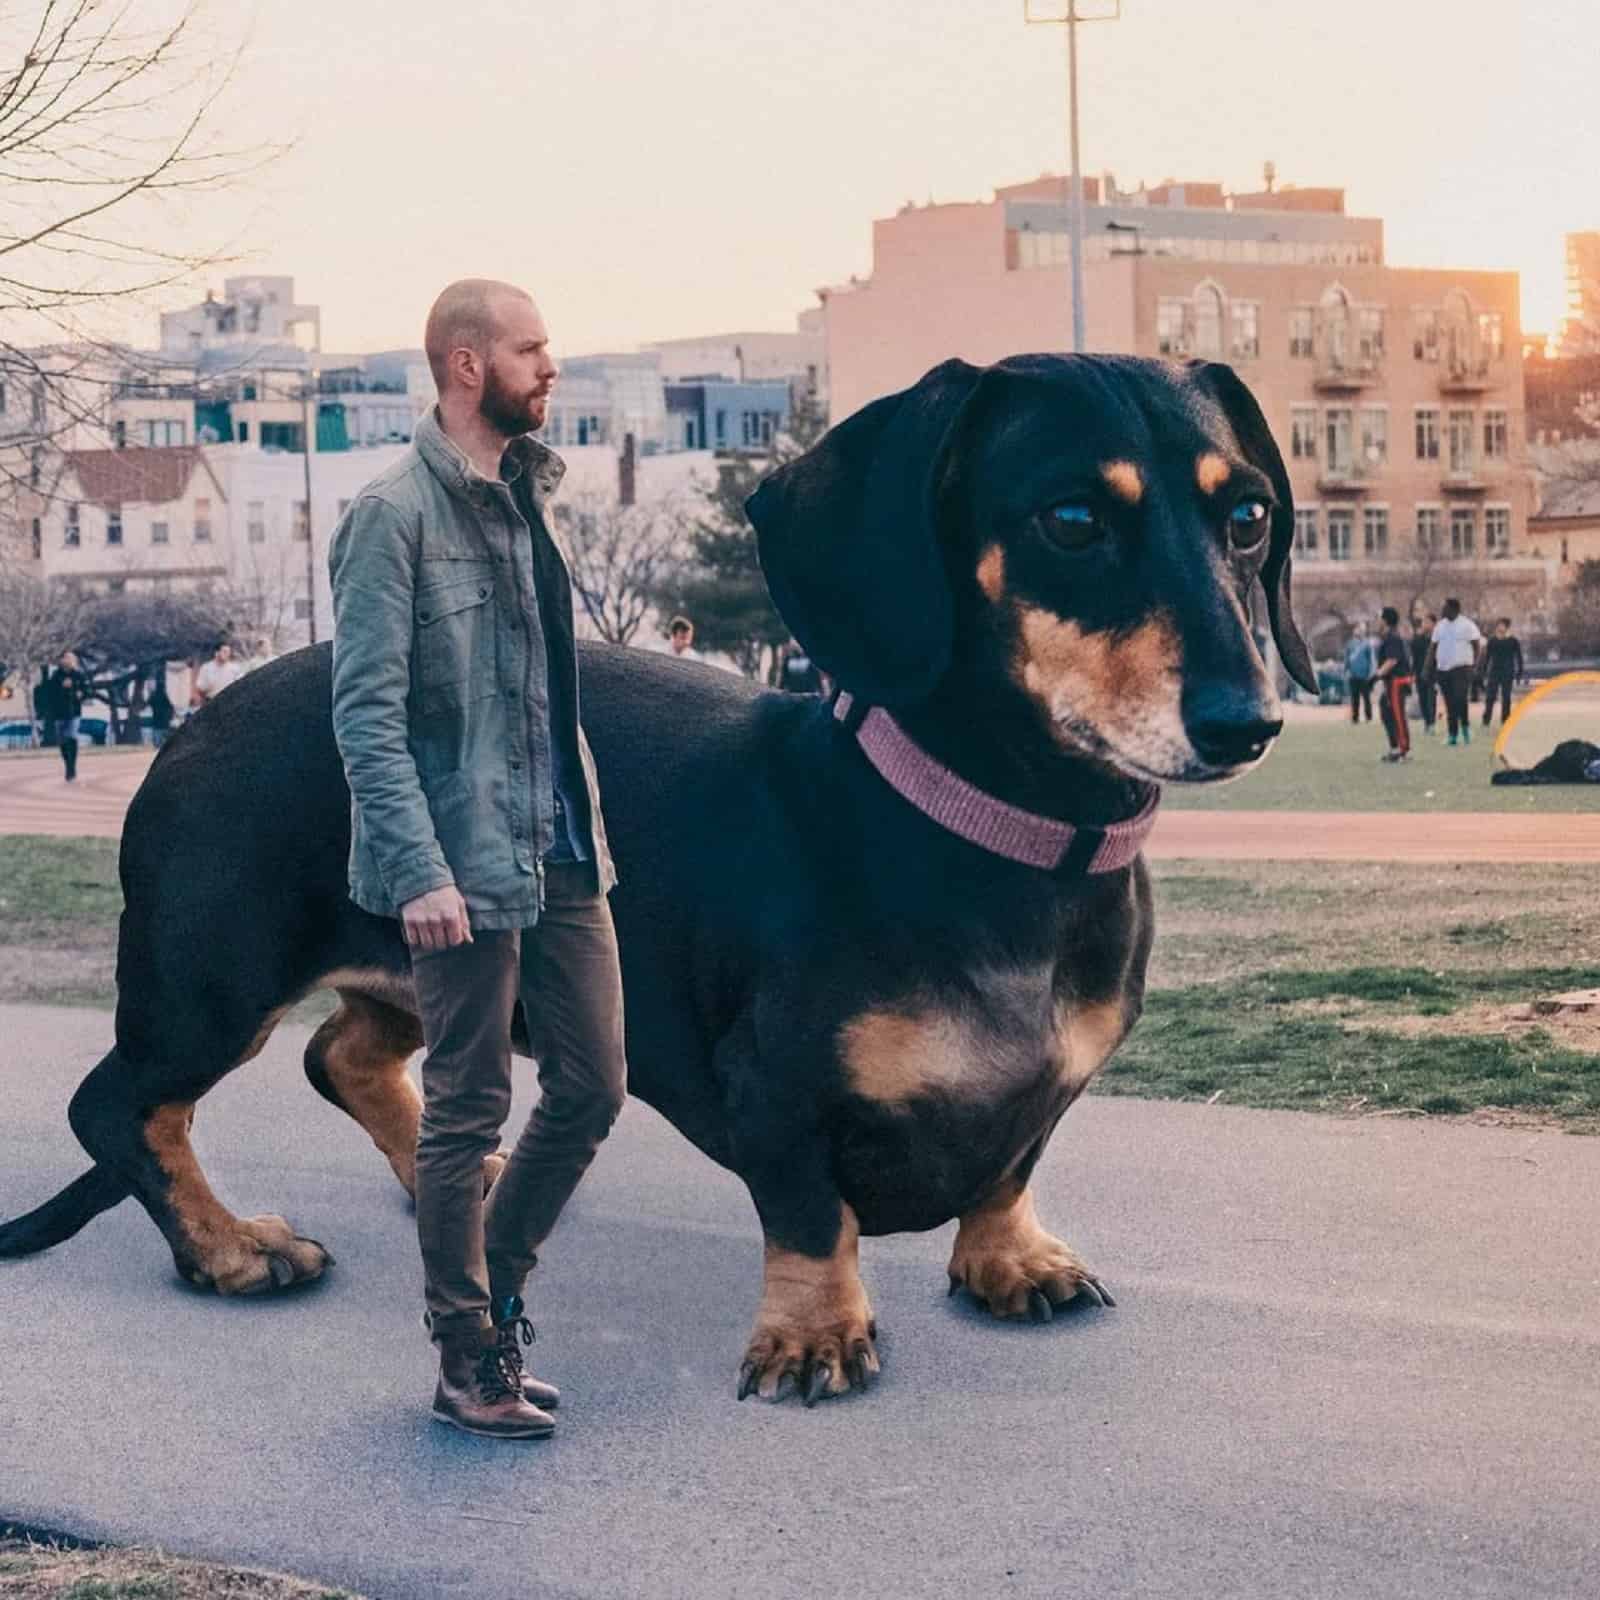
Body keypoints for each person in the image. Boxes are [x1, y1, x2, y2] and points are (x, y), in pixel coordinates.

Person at [329, 278, 624, 1443]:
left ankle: (490, 1291)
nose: (551, 366)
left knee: (595, 1083)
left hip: (561, 849)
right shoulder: (391, 514)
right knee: (463, 1114)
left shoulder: (531, 498)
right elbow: (366, 715)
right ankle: (465, 1358)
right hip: (454, 860)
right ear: (466, 364)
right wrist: (418, 870)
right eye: (531, 349)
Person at [1424, 597, 1483, 746]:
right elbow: (1432, 648)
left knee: (1459, 698)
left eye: (1445, 607)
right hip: (1443, 669)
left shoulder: (1467, 625)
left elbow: (1477, 646)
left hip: (1462, 669)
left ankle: (1465, 728)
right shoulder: (1440, 626)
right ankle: (1452, 735)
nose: (1442, 610)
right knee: (1450, 703)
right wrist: (1426, 667)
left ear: (1454, 609)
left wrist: (1474, 666)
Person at [44, 649, 91, 782]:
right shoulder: (56, 676)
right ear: (61, 661)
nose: (68, 661)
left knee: (71, 736)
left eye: (71, 659)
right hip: (59, 712)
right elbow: (49, 692)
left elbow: (87, 690)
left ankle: (71, 768)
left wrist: (81, 694)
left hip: (74, 711)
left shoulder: (78, 675)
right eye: (65, 658)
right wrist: (61, 686)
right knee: (63, 740)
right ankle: (68, 764)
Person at [1374, 607, 1412, 762]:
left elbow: (1392, 660)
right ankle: (1395, 747)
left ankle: (1403, 750)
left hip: (1397, 681)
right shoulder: (1388, 637)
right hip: (1390, 682)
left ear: (1385, 620)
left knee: (1397, 715)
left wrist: (1376, 675)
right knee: (1386, 712)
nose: (1377, 621)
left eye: (1379, 618)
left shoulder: (1393, 638)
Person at [1480, 617, 1524, 729]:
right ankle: (1486, 720)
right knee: (1490, 697)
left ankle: (1505, 720)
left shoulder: (1513, 641)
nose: (1500, 627)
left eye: (1502, 625)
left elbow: (1519, 657)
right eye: (1498, 625)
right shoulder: (1492, 640)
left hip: (1507, 672)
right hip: (1494, 672)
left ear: (1507, 627)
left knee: (1506, 698)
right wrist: (1484, 671)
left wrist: (1519, 672)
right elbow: (1487, 657)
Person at [190, 642, 245, 708]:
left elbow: (241, 685)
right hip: (211, 702)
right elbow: (200, 687)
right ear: (216, 653)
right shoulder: (206, 668)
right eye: (224, 652)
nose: (227, 654)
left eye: (229, 652)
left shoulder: (235, 668)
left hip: (230, 702)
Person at [1409, 611, 1437, 735]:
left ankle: (1432, 724)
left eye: (1427, 622)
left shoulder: (1437, 639)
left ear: (1433, 623)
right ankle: (1426, 723)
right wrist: (1413, 674)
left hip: (1433, 674)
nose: (1424, 624)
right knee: (1423, 699)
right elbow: (1414, 658)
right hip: (1420, 673)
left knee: (1431, 699)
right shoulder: (1417, 639)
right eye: (1423, 622)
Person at [1342, 623, 1376, 723]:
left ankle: (1368, 717)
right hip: (1353, 675)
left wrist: (1370, 674)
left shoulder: (1367, 644)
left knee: (1366, 697)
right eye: (1358, 629)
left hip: (1364, 676)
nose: (1359, 631)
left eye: (1361, 629)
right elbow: (1347, 659)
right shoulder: (1350, 644)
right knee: (1354, 697)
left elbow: (1371, 660)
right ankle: (1355, 718)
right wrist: (1346, 671)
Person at [147, 677, 175, 748]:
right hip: (164, 721)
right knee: (164, 740)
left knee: (157, 742)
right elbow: (171, 707)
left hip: (156, 721)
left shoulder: (154, 696)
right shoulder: (164, 697)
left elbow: (148, 703)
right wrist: (171, 715)